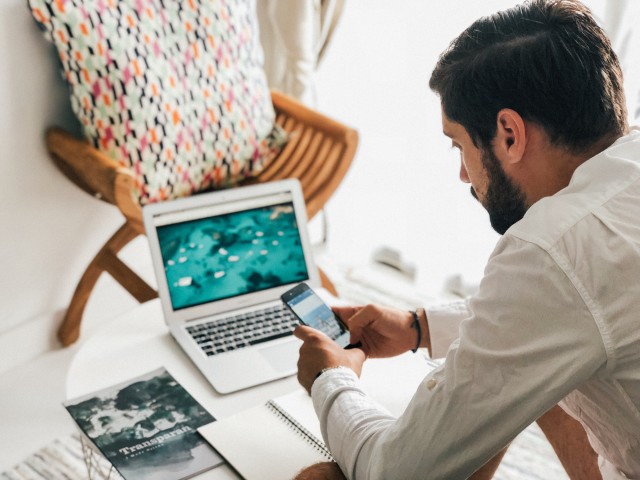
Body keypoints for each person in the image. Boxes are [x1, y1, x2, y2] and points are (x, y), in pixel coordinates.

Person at [293, 0, 640, 478]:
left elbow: (393, 471)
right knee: (518, 379)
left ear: (510, 134)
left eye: (458, 145)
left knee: (323, 476)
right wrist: (419, 327)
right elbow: (574, 309)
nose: (462, 174)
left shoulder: (553, 249)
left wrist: (330, 378)